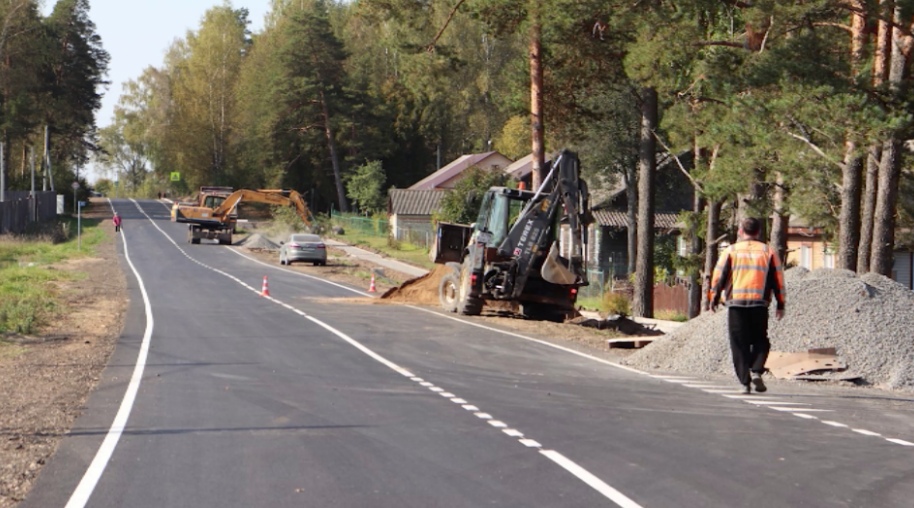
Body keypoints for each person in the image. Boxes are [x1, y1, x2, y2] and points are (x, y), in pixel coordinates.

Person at [708, 217, 786, 394]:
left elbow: (719, 276)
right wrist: (780, 304)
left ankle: (745, 383)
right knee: (760, 339)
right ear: (758, 232)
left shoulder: (731, 251)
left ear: (740, 231)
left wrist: (712, 298)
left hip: (736, 304)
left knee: (739, 343)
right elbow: (778, 280)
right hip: (760, 303)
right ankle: (756, 370)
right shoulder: (768, 252)